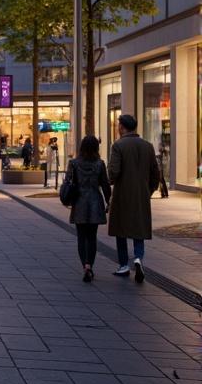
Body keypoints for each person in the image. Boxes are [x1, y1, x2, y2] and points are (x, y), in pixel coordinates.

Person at [107, 114, 159, 281]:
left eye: (118, 125)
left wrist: (109, 182)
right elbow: (155, 173)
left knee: (120, 230)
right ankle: (138, 258)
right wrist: (148, 190)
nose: (117, 127)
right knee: (139, 229)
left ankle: (123, 265)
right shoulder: (148, 146)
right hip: (141, 194)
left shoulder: (118, 145)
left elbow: (113, 172)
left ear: (122, 127)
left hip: (123, 193)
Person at [65, 135, 111, 282]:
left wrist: (68, 198)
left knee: (81, 237)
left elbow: (68, 182)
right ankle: (89, 265)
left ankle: (84, 265)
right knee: (92, 237)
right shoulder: (100, 164)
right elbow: (105, 185)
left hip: (79, 201)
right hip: (95, 202)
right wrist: (108, 201)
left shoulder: (73, 163)